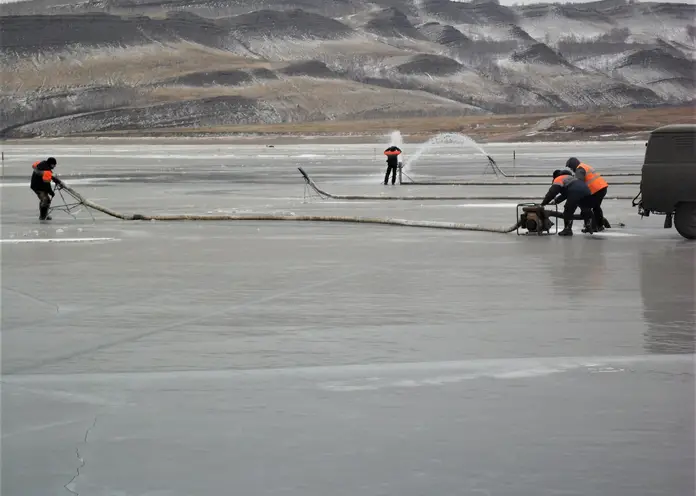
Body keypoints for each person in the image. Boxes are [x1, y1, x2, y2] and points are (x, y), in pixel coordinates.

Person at [541, 169, 594, 236]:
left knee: (568, 210)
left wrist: (543, 203)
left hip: (575, 191)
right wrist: (556, 201)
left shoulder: (558, 179)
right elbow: (566, 194)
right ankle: (589, 226)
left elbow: (552, 193)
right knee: (586, 209)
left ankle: (567, 229)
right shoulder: (572, 178)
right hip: (586, 190)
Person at [566, 157, 609, 231]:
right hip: (602, 188)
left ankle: (592, 226)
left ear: (573, 165)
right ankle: (598, 225)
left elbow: (578, 183)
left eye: (570, 167)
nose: (571, 169)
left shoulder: (579, 169)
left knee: (586, 207)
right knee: (596, 207)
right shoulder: (584, 166)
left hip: (597, 190)